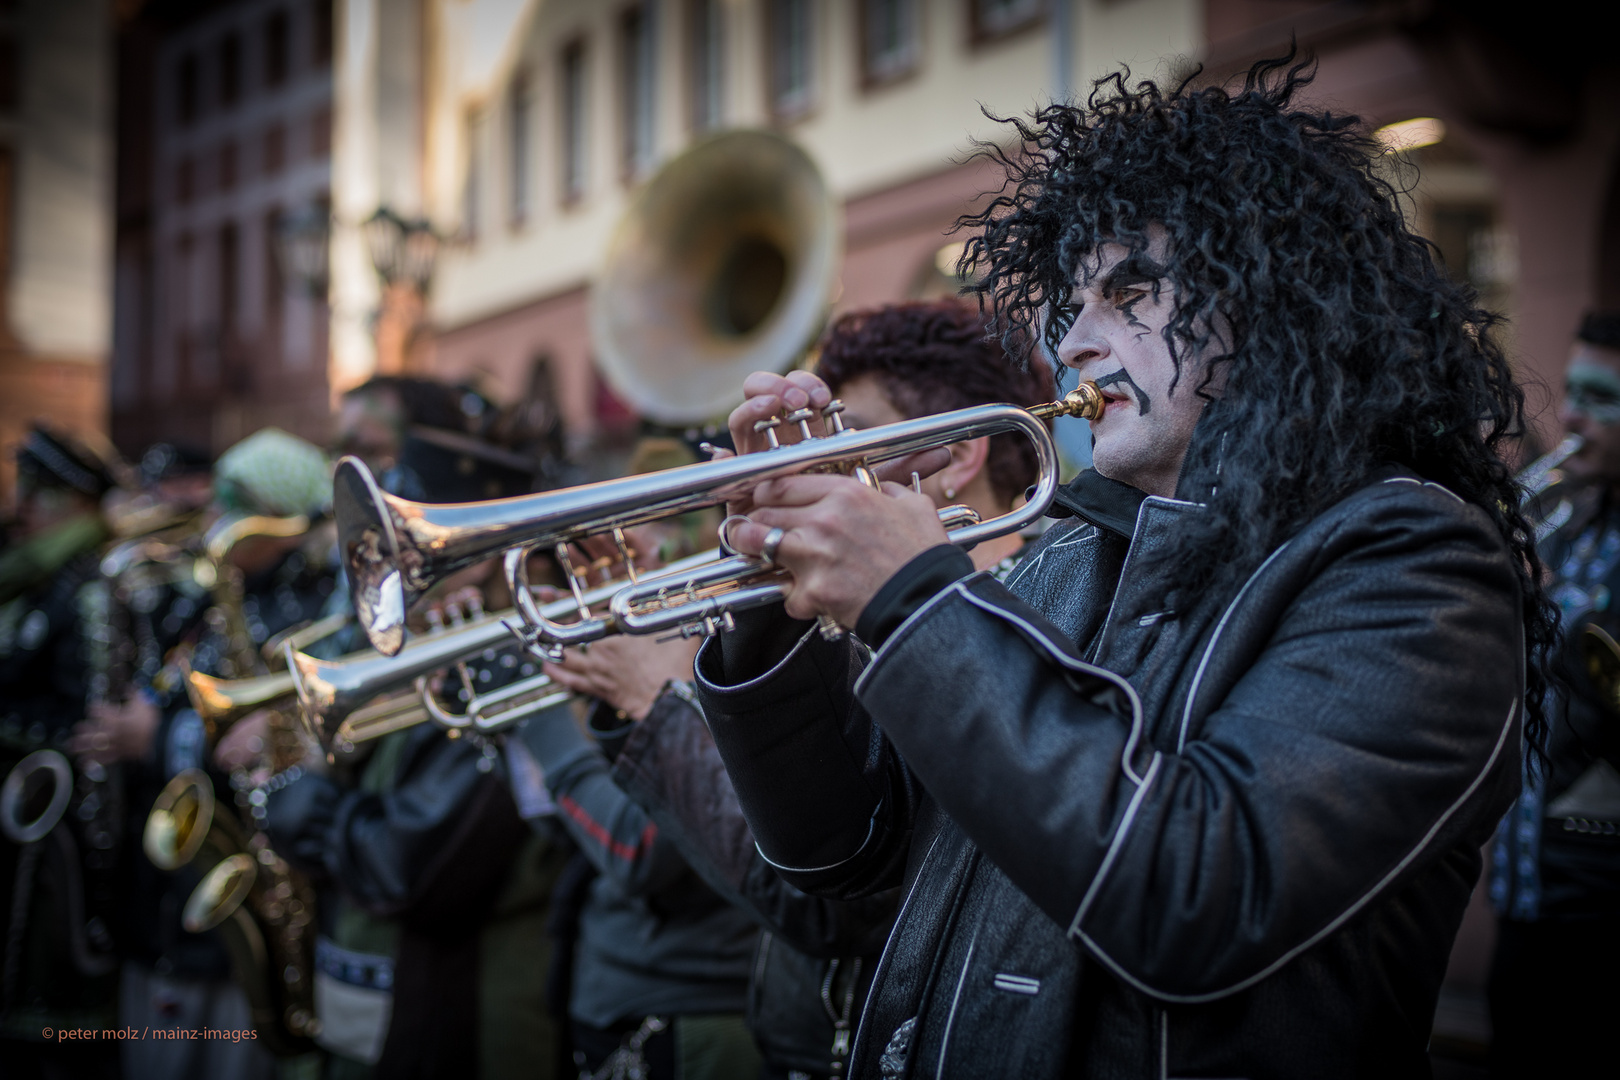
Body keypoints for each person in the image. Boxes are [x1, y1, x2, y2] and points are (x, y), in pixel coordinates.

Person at [692, 57, 1551, 1077]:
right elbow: (843, 860)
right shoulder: (1065, 557)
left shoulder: (1418, 565)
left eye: (1130, 291)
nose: (1073, 342)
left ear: (1269, 301)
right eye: (1071, 301)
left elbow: (1197, 894)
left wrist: (915, 595)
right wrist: (770, 603)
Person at [543, 299, 1054, 1080]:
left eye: (851, 445)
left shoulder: (1033, 622)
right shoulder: (849, 621)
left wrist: (663, 706)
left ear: (955, 459)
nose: (814, 473)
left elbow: (830, 902)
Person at [1486, 310, 1620, 1076]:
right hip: (1525, 897)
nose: (1569, 415)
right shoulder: (1565, 527)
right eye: (1571, 390)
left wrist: (1553, 618)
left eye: (1600, 398)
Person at [0, 425, 125, 1080]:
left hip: (56, 836)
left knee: (54, 1018)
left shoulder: (87, 582)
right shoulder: (38, 574)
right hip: (25, 819)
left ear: (73, 505)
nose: (23, 510)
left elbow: (86, 722)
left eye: (38, 497)